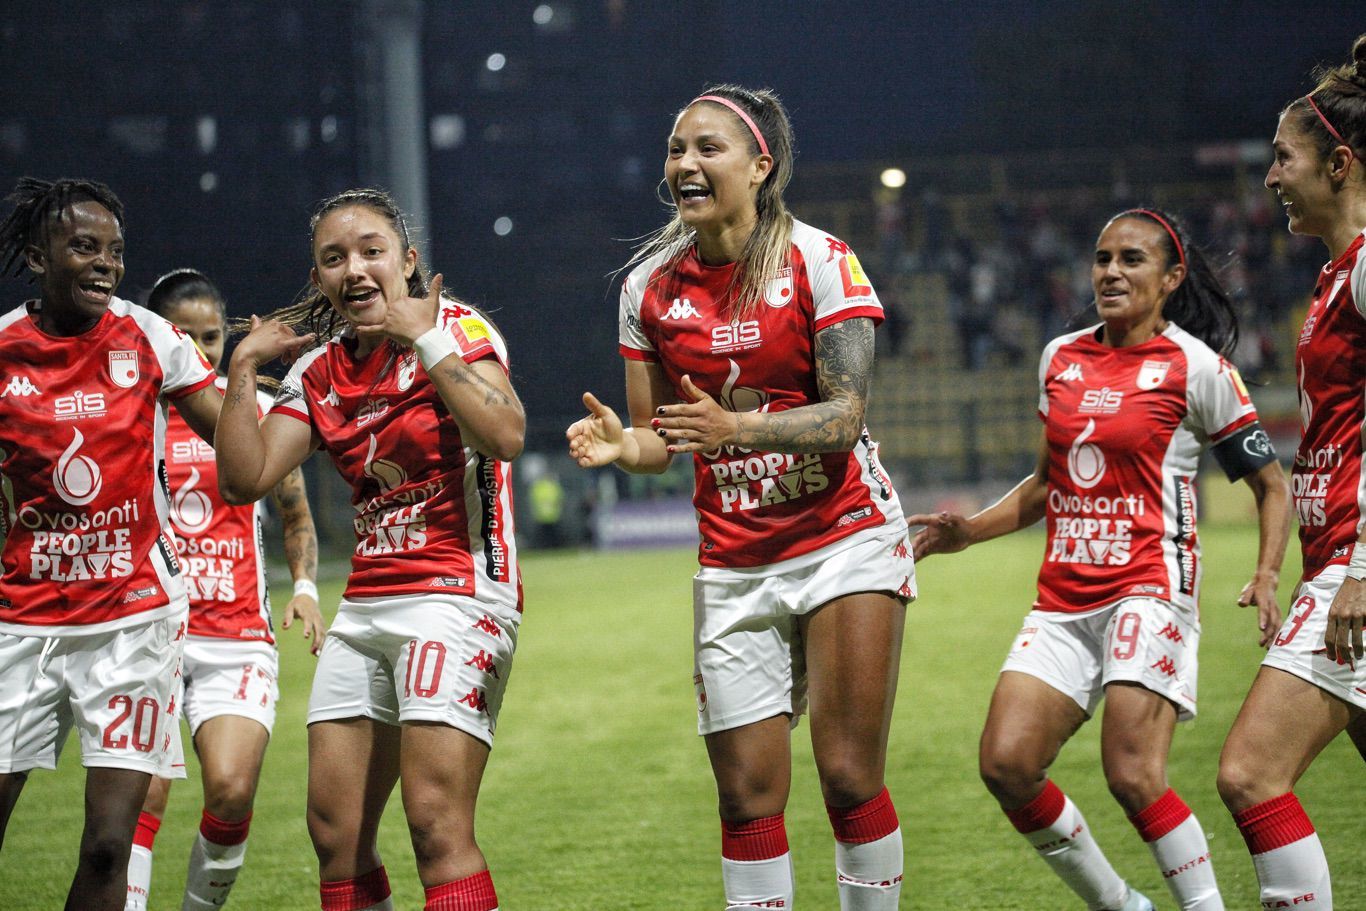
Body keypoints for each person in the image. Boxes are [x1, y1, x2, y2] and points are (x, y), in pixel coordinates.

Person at [567, 85, 914, 910]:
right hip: (735, 560)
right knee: (745, 795)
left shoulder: (822, 261)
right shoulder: (646, 288)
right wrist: (627, 446)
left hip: (845, 537)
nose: (685, 163)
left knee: (846, 773)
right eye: (676, 149)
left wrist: (738, 429)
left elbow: (844, 418)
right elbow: (664, 438)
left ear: (760, 165)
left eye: (708, 148)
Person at [910, 207, 1292, 911]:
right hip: (1064, 597)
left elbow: (1272, 485)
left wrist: (1267, 573)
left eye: (1132, 260)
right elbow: (1046, 484)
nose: (1111, 272)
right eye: (1103, 258)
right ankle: (1120, 903)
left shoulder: (1197, 368)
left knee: (1132, 772)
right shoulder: (1060, 357)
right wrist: (970, 531)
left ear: (1172, 277)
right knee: (1007, 763)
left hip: (1149, 588)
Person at [215, 188, 524, 911]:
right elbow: (244, 477)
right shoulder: (319, 372)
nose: (354, 269)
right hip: (368, 605)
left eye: (371, 251)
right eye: (334, 258)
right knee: (335, 828)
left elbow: (505, 435)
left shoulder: (458, 328)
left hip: (457, 593)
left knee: (434, 821)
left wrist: (429, 339)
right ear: (319, 278)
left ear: (407, 263)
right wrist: (240, 368)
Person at [0, 178, 221, 910]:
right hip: (18, 618)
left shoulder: (150, 337)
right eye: (85, 247)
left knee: (107, 844)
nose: (105, 264)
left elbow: (239, 448)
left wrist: (250, 371)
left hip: (133, 620)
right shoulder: (3, 350)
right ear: (37, 254)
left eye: (116, 252)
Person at [1216, 34, 1366, 910]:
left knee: (1250, 773)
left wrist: (1358, 571)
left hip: (1355, 567)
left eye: (1284, 157)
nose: (1270, 176)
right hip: (1336, 564)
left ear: (1339, 163)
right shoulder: (1337, 274)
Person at [123, 268, 325, 911]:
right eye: (185, 334)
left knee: (232, 791)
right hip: (148, 626)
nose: (202, 349)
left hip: (236, 635)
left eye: (213, 336)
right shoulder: (128, 409)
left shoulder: (254, 412)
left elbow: (295, 513)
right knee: (138, 798)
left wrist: (307, 588)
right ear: (158, 334)